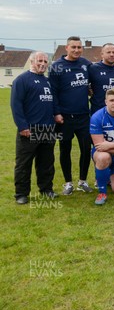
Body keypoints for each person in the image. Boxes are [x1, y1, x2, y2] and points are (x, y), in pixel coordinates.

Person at [11, 51, 58, 204]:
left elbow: (53, 101)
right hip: (29, 130)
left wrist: (57, 114)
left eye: (45, 61)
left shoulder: (48, 81)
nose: (43, 64)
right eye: (39, 61)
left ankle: (46, 189)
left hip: (48, 129)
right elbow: (16, 105)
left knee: (46, 162)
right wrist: (22, 126)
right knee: (24, 163)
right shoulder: (22, 80)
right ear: (31, 61)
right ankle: (21, 194)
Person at [49, 36, 94, 195]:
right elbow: (52, 92)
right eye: (73, 47)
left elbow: (100, 71)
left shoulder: (86, 64)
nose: (76, 50)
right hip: (65, 117)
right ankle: (68, 183)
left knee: (85, 149)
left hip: (83, 116)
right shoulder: (57, 66)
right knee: (65, 150)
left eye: (79, 47)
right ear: (66, 48)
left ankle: (82, 181)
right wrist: (57, 112)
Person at [88, 43, 114, 115]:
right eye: (108, 52)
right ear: (102, 54)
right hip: (97, 111)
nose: (111, 54)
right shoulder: (93, 68)